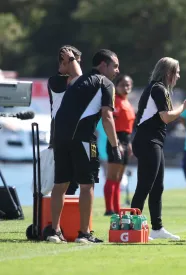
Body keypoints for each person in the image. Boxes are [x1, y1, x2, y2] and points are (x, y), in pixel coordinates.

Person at [48, 49, 121, 243]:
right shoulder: (106, 83)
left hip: (60, 138)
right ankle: (84, 233)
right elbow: (107, 117)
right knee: (87, 185)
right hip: (83, 139)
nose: (117, 70)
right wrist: (115, 146)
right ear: (103, 65)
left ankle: (54, 232)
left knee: (60, 184)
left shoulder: (76, 80)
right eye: (114, 66)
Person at [131, 57, 186, 241]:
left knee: (157, 186)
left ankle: (157, 228)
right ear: (168, 73)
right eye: (177, 72)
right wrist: (184, 106)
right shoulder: (158, 88)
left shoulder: (159, 89)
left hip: (153, 141)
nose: (178, 76)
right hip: (147, 141)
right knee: (144, 185)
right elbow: (166, 117)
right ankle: (133, 227)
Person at [47, 45, 83, 196]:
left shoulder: (68, 79)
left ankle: (66, 218)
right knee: (63, 182)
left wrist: (72, 60)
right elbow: (80, 79)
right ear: (64, 62)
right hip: (61, 134)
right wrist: (71, 58)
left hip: (73, 134)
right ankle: (57, 218)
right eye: (74, 61)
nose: (77, 65)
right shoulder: (56, 80)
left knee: (73, 182)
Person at [103, 74, 135, 215]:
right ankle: (109, 209)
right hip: (115, 140)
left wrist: (129, 144)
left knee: (119, 178)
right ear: (116, 86)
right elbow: (112, 123)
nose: (126, 87)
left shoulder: (127, 102)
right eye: (123, 84)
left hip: (126, 139)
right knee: (112, 177)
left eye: (128, 85)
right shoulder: (115, 101)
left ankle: (117, 208)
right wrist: (117, 143)